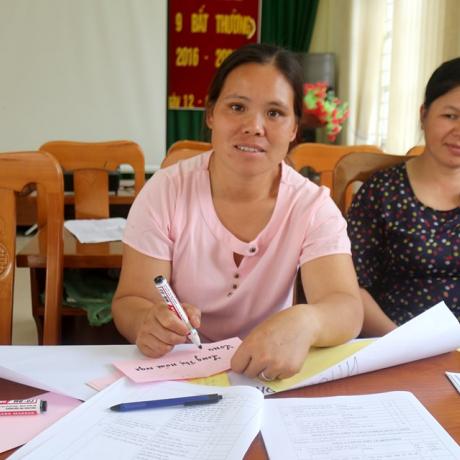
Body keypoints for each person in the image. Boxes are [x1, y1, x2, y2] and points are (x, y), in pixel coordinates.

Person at [112, 43, 363, 381]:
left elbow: (345, 307)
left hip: (266, 376)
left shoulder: (312, 206)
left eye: (274, 113)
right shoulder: (166, 191)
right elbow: (131, 299)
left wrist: (309, 320)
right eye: (237, 107)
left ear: (293, 130)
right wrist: (147, 321)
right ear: (211, 114)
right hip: (180, 372)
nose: (254, 126)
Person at [347, 57, 460, 337]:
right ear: (423, 115)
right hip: (395, 347)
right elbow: (350, 286)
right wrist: (401, 344)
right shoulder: (383, 192)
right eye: (451, 116)